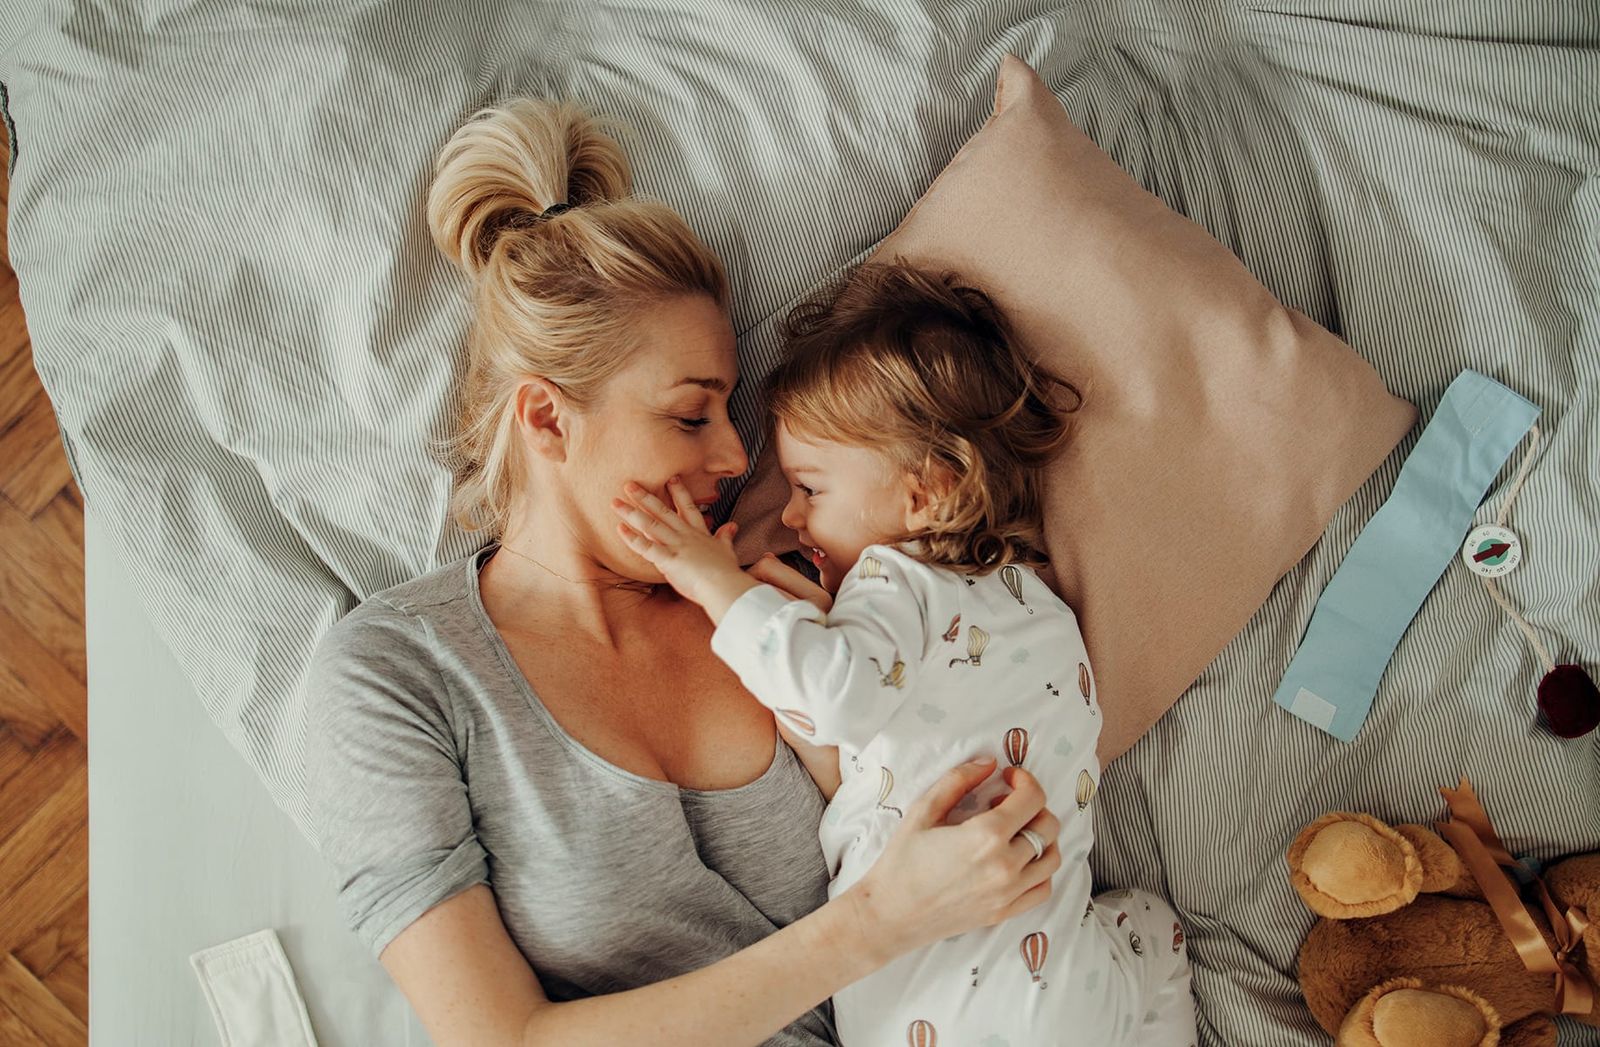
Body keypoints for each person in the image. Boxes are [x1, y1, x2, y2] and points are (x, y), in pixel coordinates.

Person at [306, 99, 1063, 1047]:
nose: (738, 459)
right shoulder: (396, 674)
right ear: (546, 420)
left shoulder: (770, 605)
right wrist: (879, 922)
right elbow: (503, 1039)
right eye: (691, 415)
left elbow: (914, 781)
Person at [612, 260, 1197, 1045]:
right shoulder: (1040, 608)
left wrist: (718, 585)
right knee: (1155, 928)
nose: (788, 517)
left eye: (811, 488)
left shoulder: (896, 578)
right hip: (1070, 987)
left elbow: (838, 702)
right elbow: (889, 747)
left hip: (928, 1001)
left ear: (923, 496)